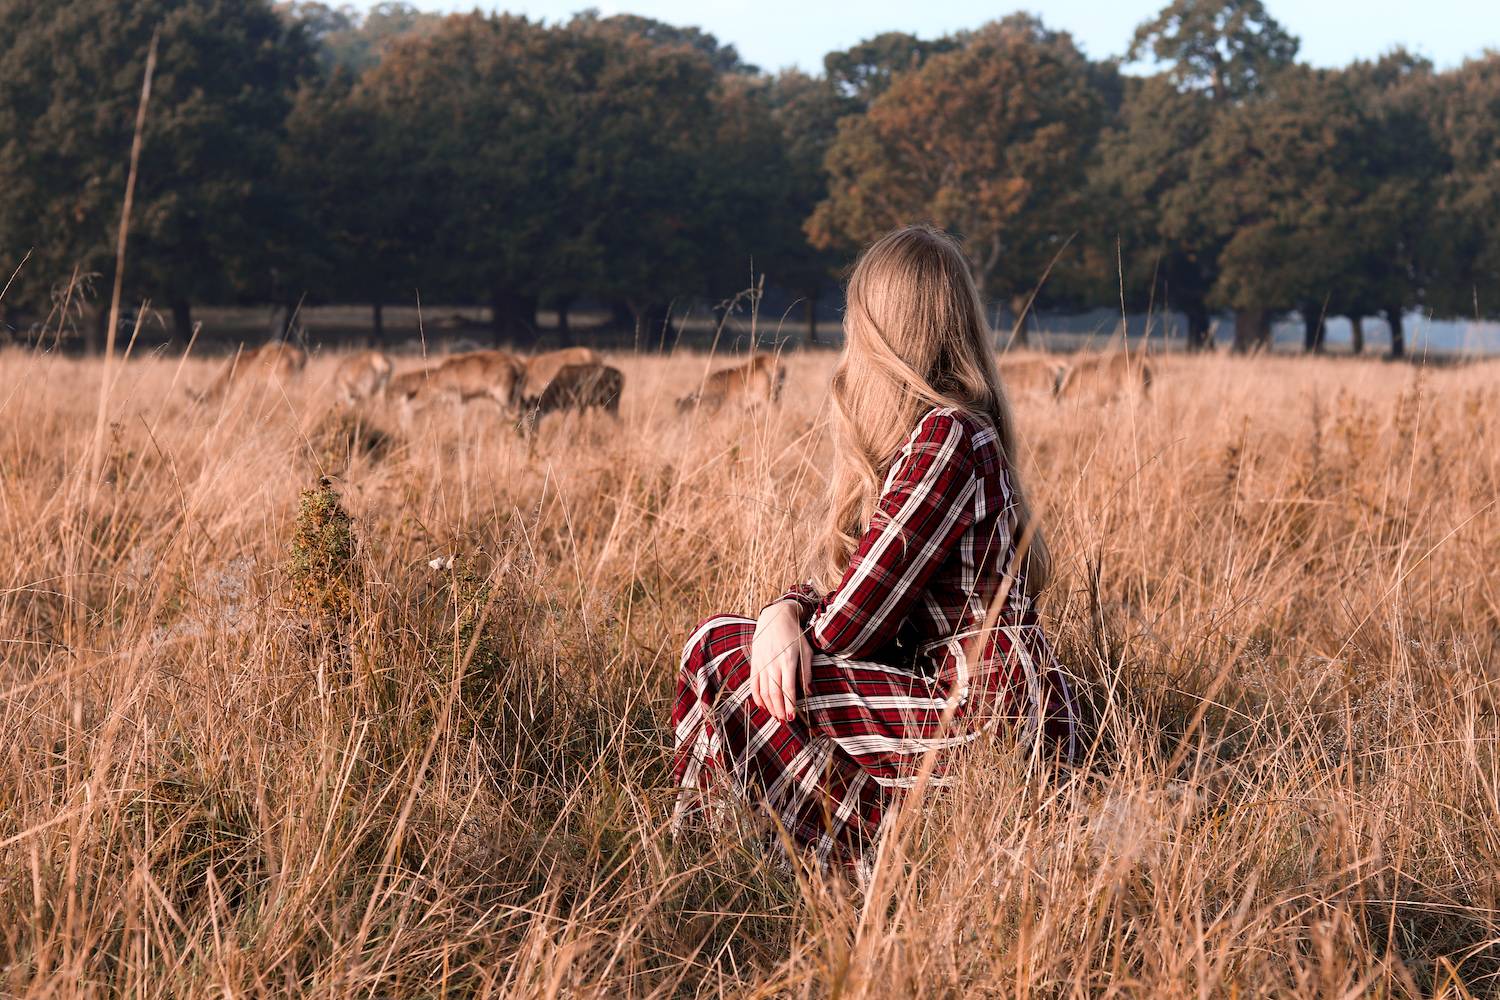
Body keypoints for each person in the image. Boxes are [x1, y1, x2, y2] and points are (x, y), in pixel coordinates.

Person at [671, 224, 1083, 872]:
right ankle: (798, 859)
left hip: (985, 726)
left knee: (718, 649)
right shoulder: (956, 434)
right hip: (985, 713)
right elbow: (867, 591)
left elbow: (848, 626)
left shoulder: (945, 438)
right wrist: (782, 612)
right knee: (754, 652)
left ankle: (708, 862)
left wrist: (779, 624)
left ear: (884, 333)